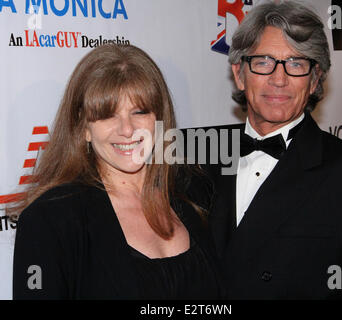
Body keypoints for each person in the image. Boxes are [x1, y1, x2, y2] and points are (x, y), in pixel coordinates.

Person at [11, 44, 222, 299]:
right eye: (107, 115)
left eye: (139, 111)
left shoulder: (196, 191)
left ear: (159, 119)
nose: (127, 129)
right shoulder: (50, 220)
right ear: (84, 128)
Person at [206, 1, 342, 299]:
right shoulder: (195, 154)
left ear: (314, 80)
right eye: (263, 61)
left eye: (296, 63)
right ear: (239, 73)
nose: (279, 79)